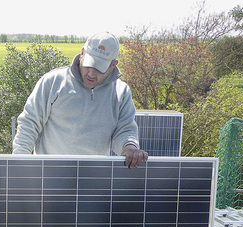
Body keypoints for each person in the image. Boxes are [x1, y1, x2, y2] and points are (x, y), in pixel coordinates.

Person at [13, 32, 148, 168]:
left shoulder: (121, 93)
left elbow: (124, 130)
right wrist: (20, 164)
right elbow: (29, 124)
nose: (91, 74)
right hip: (49, 175)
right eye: (89, 65)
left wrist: (129, 146)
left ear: (113, 65)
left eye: (99, 68)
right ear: (82, 53)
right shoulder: (53, 82)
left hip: (92, 177)